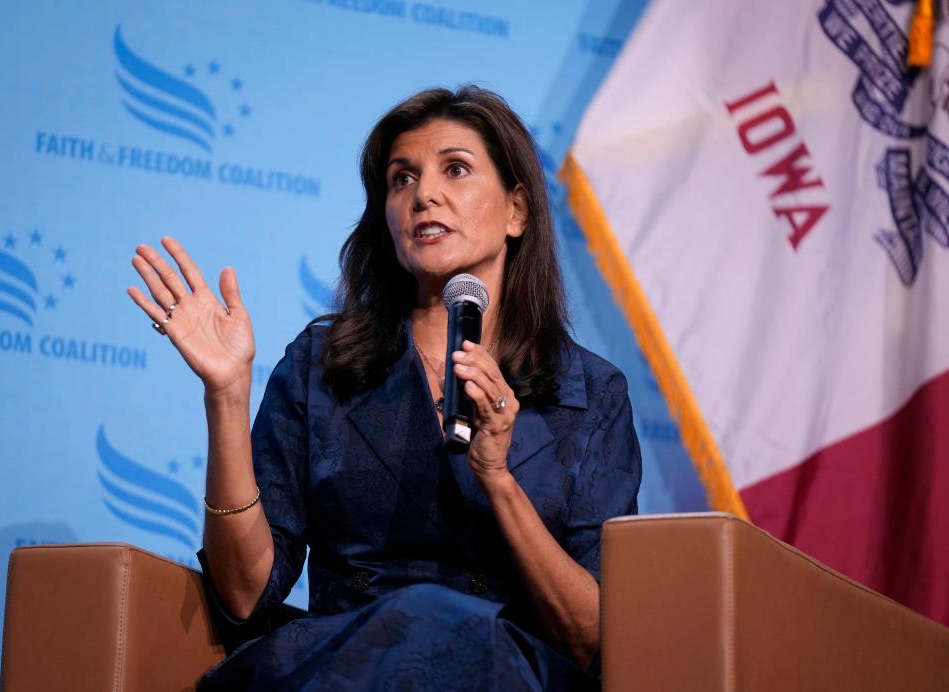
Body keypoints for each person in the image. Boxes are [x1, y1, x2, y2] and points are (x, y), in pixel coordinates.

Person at [127, 85, 642, 691]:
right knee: (415, 620)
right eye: (402, 179)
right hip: (347, 667)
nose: (424, 194)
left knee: (448, 627)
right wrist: (227, 395)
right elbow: (243, 595)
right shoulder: (323, 364)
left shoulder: (590, 394)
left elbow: (593, 639)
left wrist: (499, 480)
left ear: (517, 210)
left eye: (455, 169)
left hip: (509, 673)